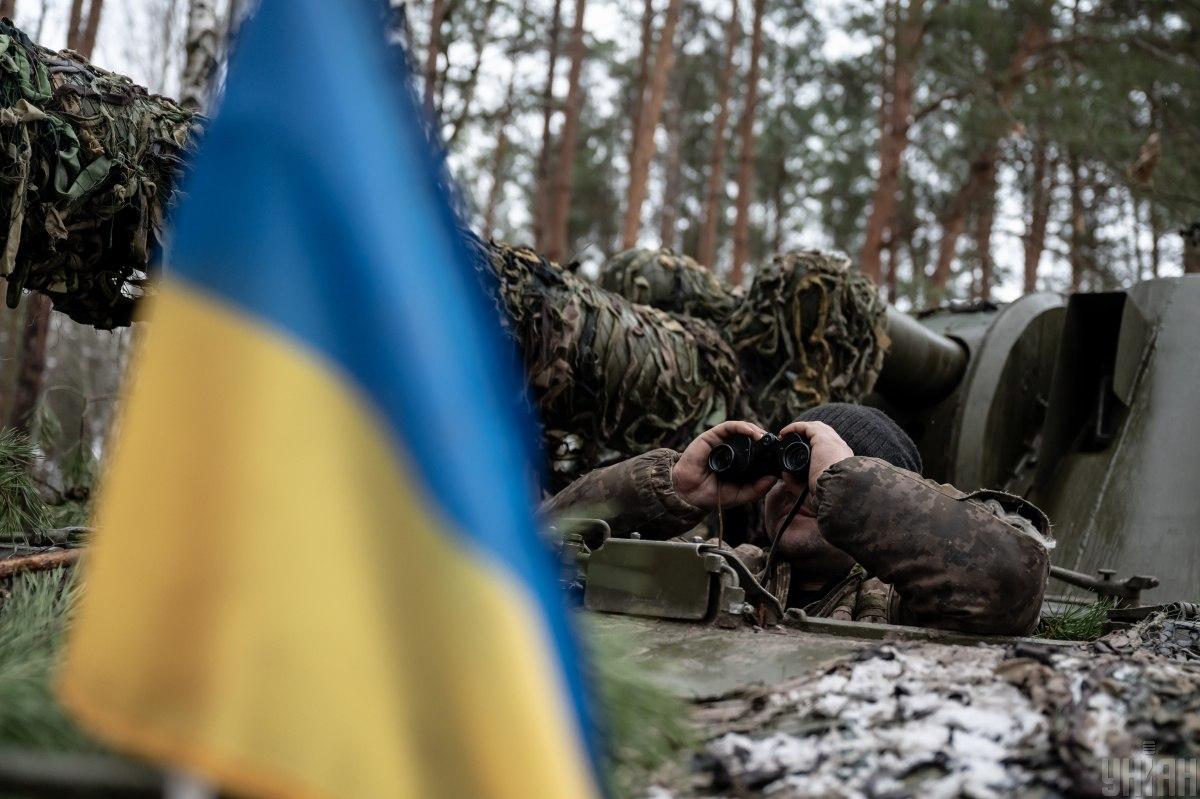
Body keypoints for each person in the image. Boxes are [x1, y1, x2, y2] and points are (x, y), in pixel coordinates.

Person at [542, 403, 1053, 636]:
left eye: (816, 476)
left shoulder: (907, 607)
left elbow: (1010, 581)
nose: (796, 489)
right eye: (791, 471)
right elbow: (528, 552)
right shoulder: (721, 572)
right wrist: (669, 490)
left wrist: (843, 481)